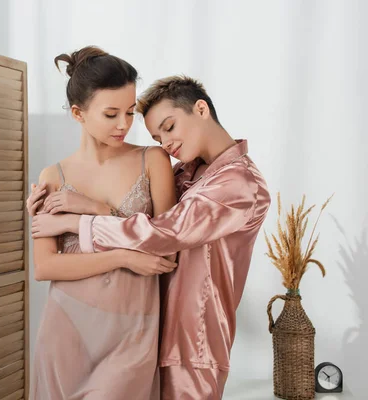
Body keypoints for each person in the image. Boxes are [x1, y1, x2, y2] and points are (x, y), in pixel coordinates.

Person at [29, 76, 271, 399]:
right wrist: (61, 207)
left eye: (170, 127)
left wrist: (82, 220)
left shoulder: (239, 184)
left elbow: (165, 232)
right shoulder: (187, 172)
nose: (166, 144)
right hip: (145, 331)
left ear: (201, 109)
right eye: (158, 136)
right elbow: (141, 220)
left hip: (192, 344)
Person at [29, 46, 179, 400]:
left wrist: (93, 208)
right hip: (67, 330)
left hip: (133, 331)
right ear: (79, 113)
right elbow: (46, 266)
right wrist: (123, 257)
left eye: (129, 112)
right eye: (111, 114)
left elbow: (166, 247)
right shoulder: (53, 176)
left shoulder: (152, 160)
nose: (124, 124)